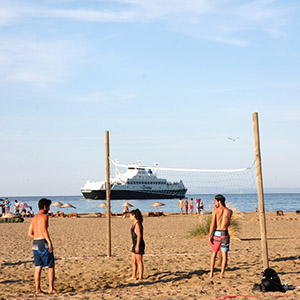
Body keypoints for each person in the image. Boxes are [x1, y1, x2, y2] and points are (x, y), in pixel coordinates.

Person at [28, 198, 56, 294]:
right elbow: (44, 230)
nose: (49, 208)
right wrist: (49, 242)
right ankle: (51, 288)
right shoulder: (44, 216)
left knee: (38, 266)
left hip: (35, 242)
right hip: (43, 242)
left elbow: (30, 233)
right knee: (51, 266)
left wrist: (37, 237)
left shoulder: (34, 217)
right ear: (45, 206)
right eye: (48, 206)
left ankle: (37, 289)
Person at [209, 194, 232, 279]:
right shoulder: (229, 211)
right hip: (225, 233)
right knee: (225, 254)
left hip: (217, 233)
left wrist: (210, 235)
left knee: (214, 254)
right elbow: (228, 223)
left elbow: (213, 224)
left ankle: (211, 273)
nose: (214, 203)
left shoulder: (215, 210)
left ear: (219, 201)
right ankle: (221, 274)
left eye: (215, 201)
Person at [129, 209, 145, 281]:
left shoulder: (138, 224)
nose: (129, 218)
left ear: (134, 216)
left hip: (139, 243)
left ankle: (140, 277)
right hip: (135, 243)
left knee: (139, 261)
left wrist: (137, 246)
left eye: (130, 216)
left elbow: (139, 236)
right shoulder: (134, 224)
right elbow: (134, 236)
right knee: (133, 260)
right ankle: (134, 276)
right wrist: (133, 244)